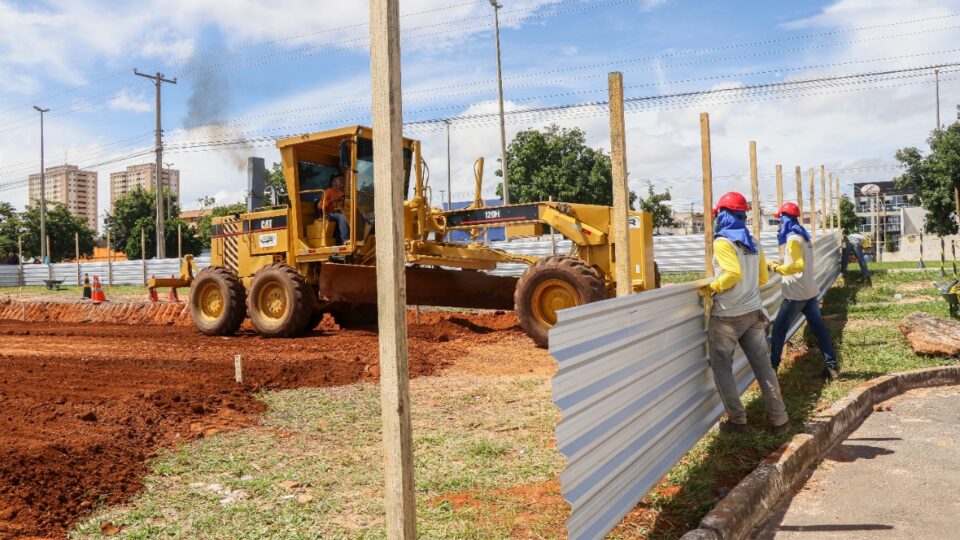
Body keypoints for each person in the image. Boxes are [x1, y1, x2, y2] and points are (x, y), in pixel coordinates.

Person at [699, 192, 789, 435]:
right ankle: (780, 420)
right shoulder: (755, 243)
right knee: (763, 367)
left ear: (722, 215)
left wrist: (712, 287)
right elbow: (761, 278)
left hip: (727, 316)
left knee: (722, 368)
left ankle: (738, 422)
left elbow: (732, 273)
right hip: (753, 313)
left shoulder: (722, 242)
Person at [768, 202, 839, 380]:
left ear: (785, 219)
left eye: (780, 221)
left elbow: (797, 265)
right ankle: (832, 367)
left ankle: (772, 370)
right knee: (819, 329)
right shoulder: (803, 236)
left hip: (796, 293)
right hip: (809, 290)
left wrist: (776, 268)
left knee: (778, 331)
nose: (779, 224)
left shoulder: (793, 238)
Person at [320, 174, 350, 244]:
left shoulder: (341, 193)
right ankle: (345, 239)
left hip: (340, 212)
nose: (340, 182)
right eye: (338, 180)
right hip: (330, 214)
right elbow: (320, 205)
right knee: (342, 217)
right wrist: (330, 201)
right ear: (333, 182)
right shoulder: (328, 191)